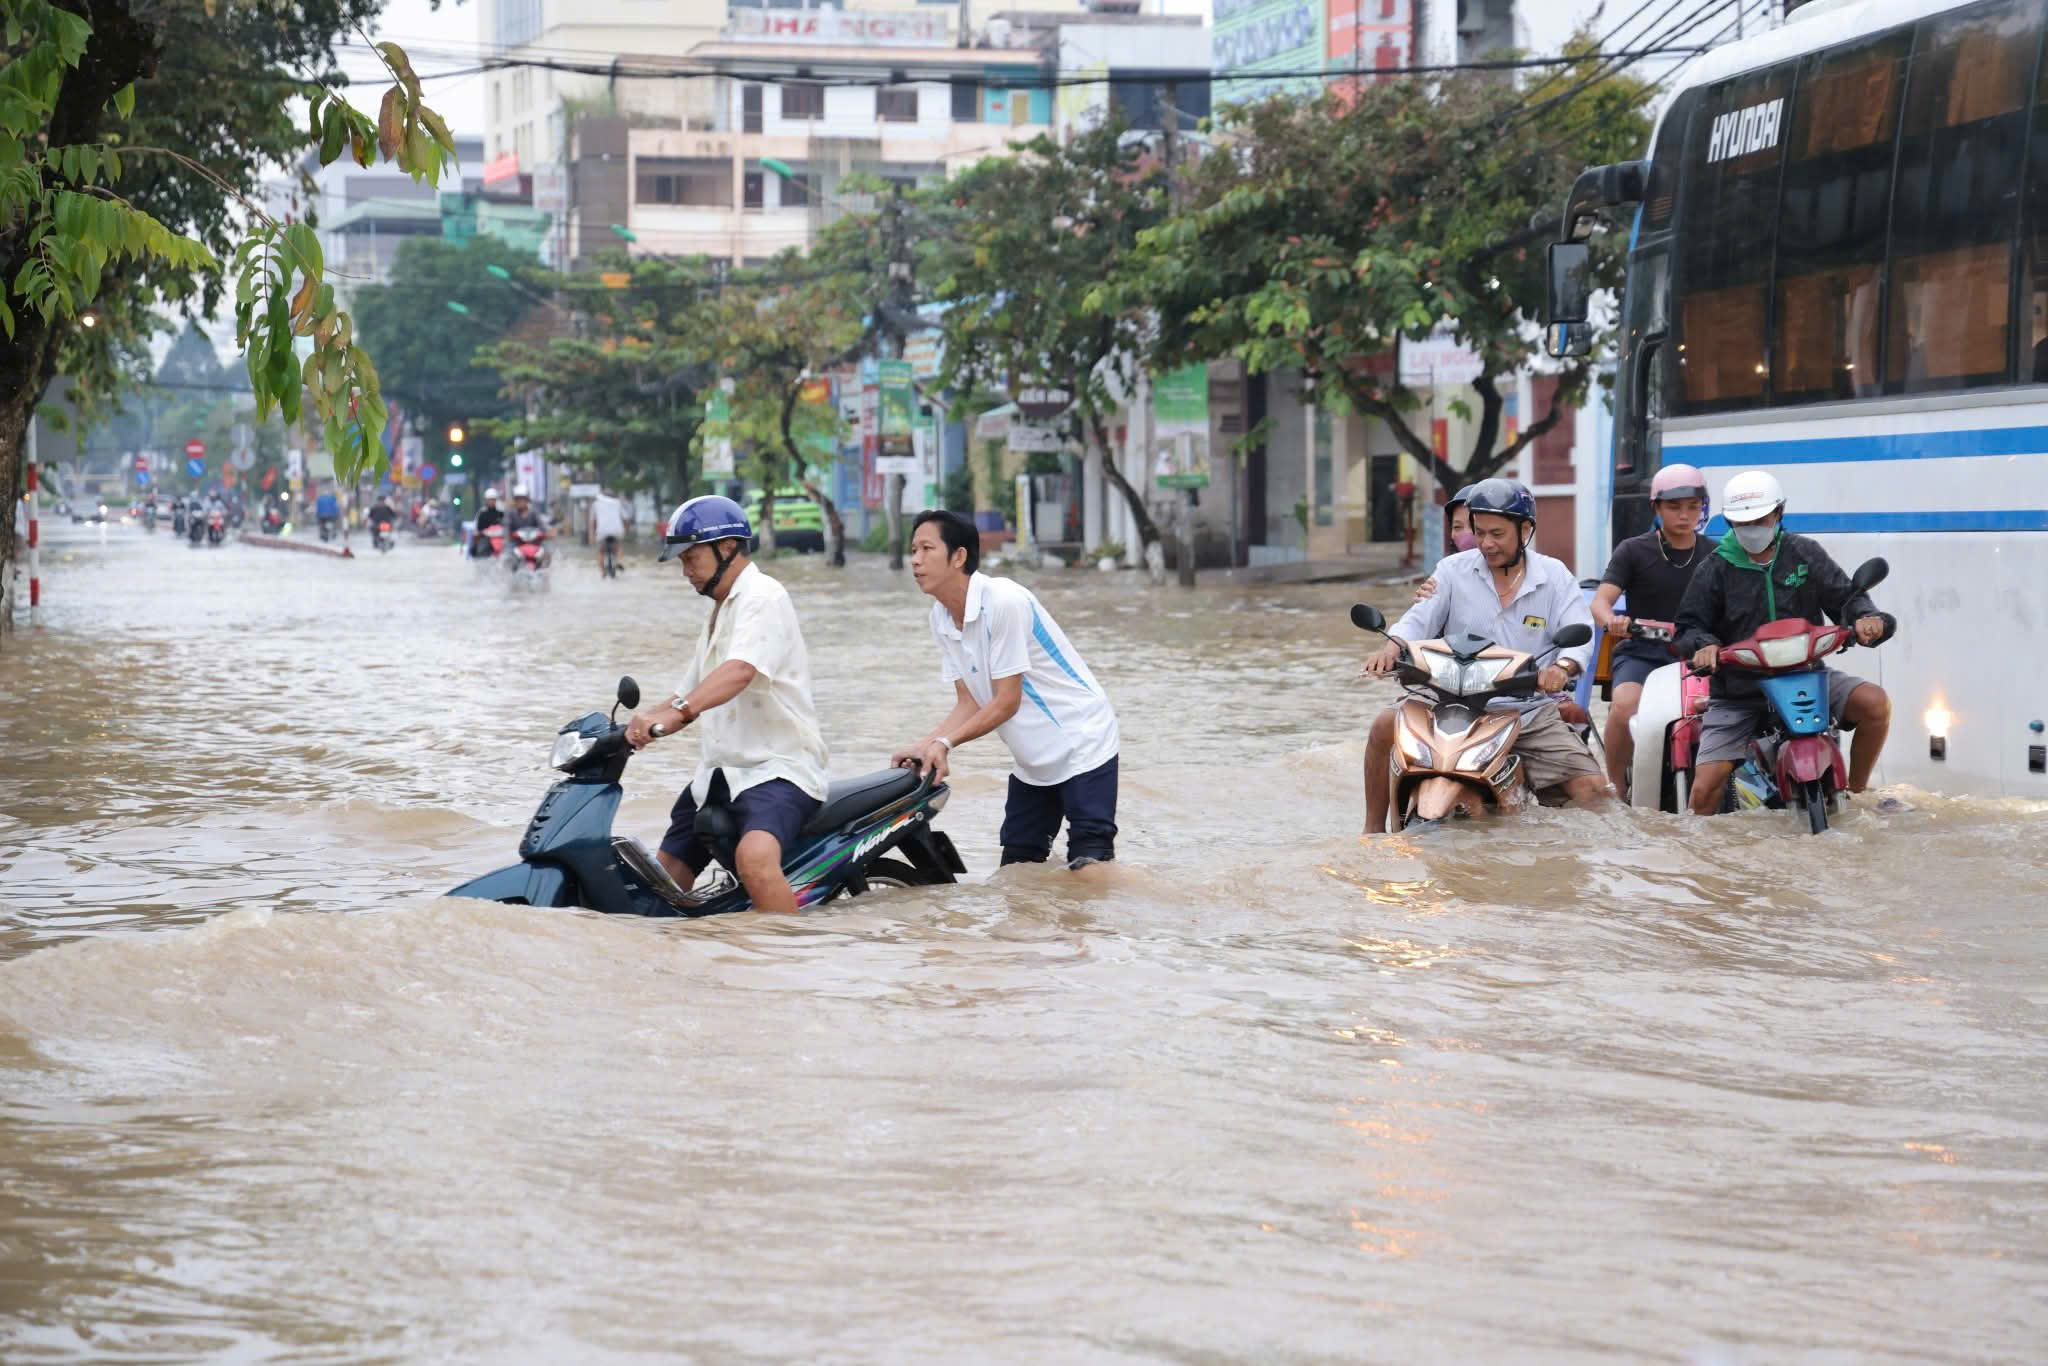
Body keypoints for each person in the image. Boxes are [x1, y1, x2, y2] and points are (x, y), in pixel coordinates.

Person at [1361, 478, 1607, 831]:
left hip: (1525, 709)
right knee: (1385, 724)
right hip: (1446, 699)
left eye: (1497, 534)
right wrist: (1391, 646)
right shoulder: (1451, 571)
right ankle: (1372, 831)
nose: (1487, 544)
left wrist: (1563, 667)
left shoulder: (1554, 576)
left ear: (1525, 530)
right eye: (1479, 533)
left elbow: (1578, 637)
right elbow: (1418, 620)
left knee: (1593, 792)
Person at [623, 495, 828, 915]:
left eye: (691, 557)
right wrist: (637, 726)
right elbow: (692, 689)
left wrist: (678, 712)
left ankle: (787, 960)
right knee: (662, 879)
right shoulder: (719, 612)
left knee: (753, 860)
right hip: (720, 773)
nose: (685, 571)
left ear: (728, 548)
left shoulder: (763, 596)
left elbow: (739, 672)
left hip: (777, 768)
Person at [893, 509, 1121, 871]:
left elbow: (1006, 702)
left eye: (926, 549)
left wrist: (946, 744)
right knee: (1017, 869)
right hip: (1033, 757)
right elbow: (969, 702)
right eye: (913, 550)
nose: (915, 560)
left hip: (1082, 740)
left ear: (959, 556)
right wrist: (926, 745)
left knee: (1090, 865)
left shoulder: (1004, 602)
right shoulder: (940, 616)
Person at [1673, 470, 1894, 815]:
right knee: (1706, 787)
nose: (1751, 529)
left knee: (1874, 705)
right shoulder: (1714, 568)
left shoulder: (1804, 553)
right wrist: (1705, 645)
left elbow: (1846, 598)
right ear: (1730, 522)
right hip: (1739, 692)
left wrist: (1868, 619)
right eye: (1741, 522)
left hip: (1807, 677)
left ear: (1778, 513)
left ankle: (1856, 791)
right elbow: (1687, 627)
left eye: (1760, 519)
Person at [1589, 463, 1711, 794]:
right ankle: (1614, 785)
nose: (1684, 515)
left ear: (1703, 507)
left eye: (1692, 506)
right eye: (1673, 506)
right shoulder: (1633, 550)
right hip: (1642, 649)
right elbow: (1601, 602)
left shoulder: (1717, 554)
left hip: (1699, 652)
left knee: (1733, 706)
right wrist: (1612, 621)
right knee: (1625, 705)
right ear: (1656, 507)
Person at [591, 486, 626, 576]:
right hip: (616, 530)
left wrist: (593, 534)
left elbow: (593, 522)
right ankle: (618, 560)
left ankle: (603, 572)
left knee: (600, 551)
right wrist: (625, 529)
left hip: (602, 531)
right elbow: (624, 518)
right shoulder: (618, 503)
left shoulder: (596, 504)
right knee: (618, 547)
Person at [469, 487, 504, 557]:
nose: (491, 501)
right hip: (486, 537)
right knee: (481, 546)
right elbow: (478, 529)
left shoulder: (500, 513)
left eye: (493, 499)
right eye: (490, 499)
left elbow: (505, 524)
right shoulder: (482, 513)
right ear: (486, 500)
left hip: (499, 536)